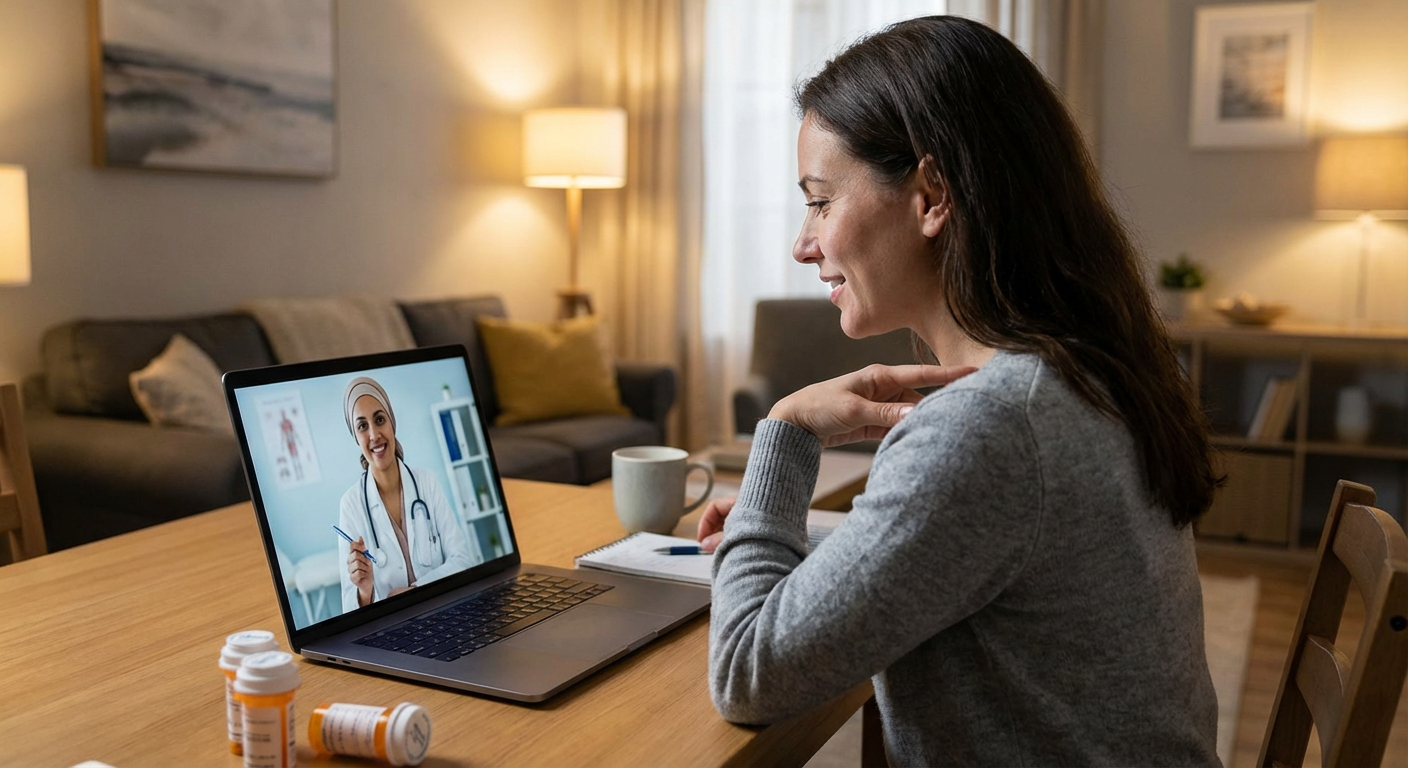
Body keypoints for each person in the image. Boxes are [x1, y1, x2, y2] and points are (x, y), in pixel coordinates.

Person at [699, 16, 1223, 767]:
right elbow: (1000, 560)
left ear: (931, 194)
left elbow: (747, 673)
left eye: (820, 200)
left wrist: (786, 429)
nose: (802, 242)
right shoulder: (1086, 367)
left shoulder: (992, 426)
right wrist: (786, 533)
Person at [338, 377, 475, 611]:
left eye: (379, 420)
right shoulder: (351, 505)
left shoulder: (426, 482)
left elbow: (463, 560)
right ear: (356, 438)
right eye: (362, 426)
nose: (374, 435)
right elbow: (349, 610)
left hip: (444, 610)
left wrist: (416, 591)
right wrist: (364, 589)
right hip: (391, 627)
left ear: (392, 423)